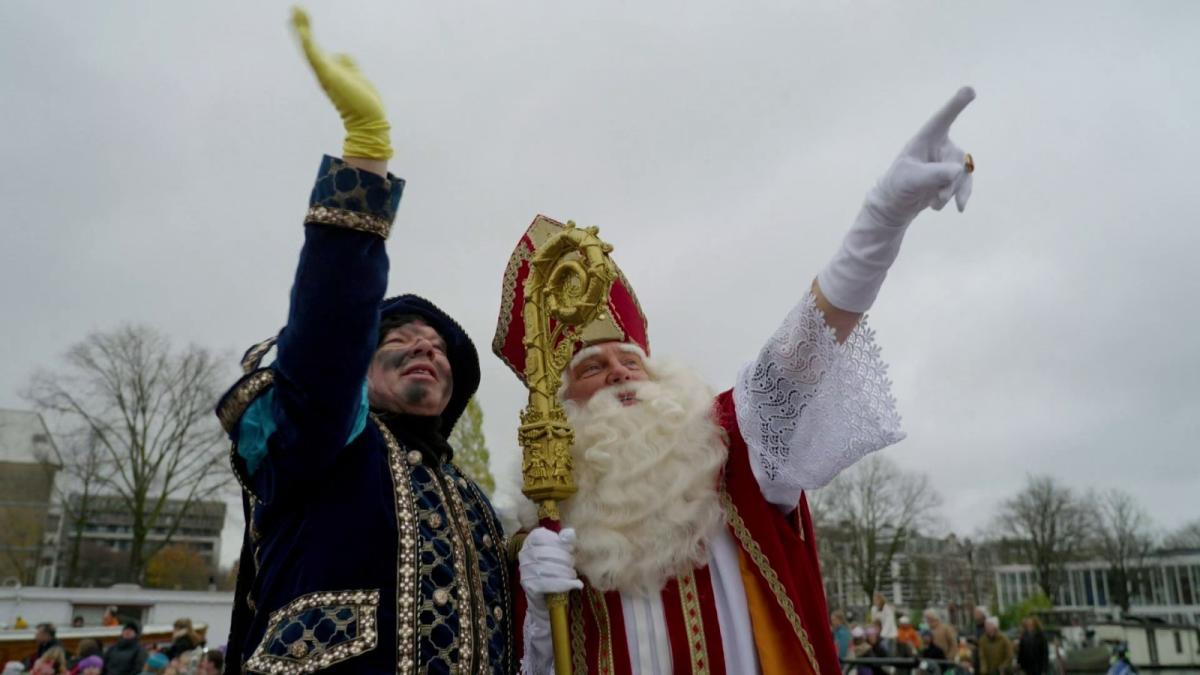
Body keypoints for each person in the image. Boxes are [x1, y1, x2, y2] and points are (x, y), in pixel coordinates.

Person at [505, 85, 978, 672]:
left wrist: (882, 216)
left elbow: (805, 349)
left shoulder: (729, 452)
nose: (620, 375)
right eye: (592, 368)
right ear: (560, 409)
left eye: (632, 362)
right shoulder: (538, 527)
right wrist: (534, 614)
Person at [215, 9, 509, 674]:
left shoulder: (474, 502)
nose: (425, 348)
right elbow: (325, 348)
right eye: (399, 338)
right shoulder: (328, 443)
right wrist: (364, 158)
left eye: (437, 346)